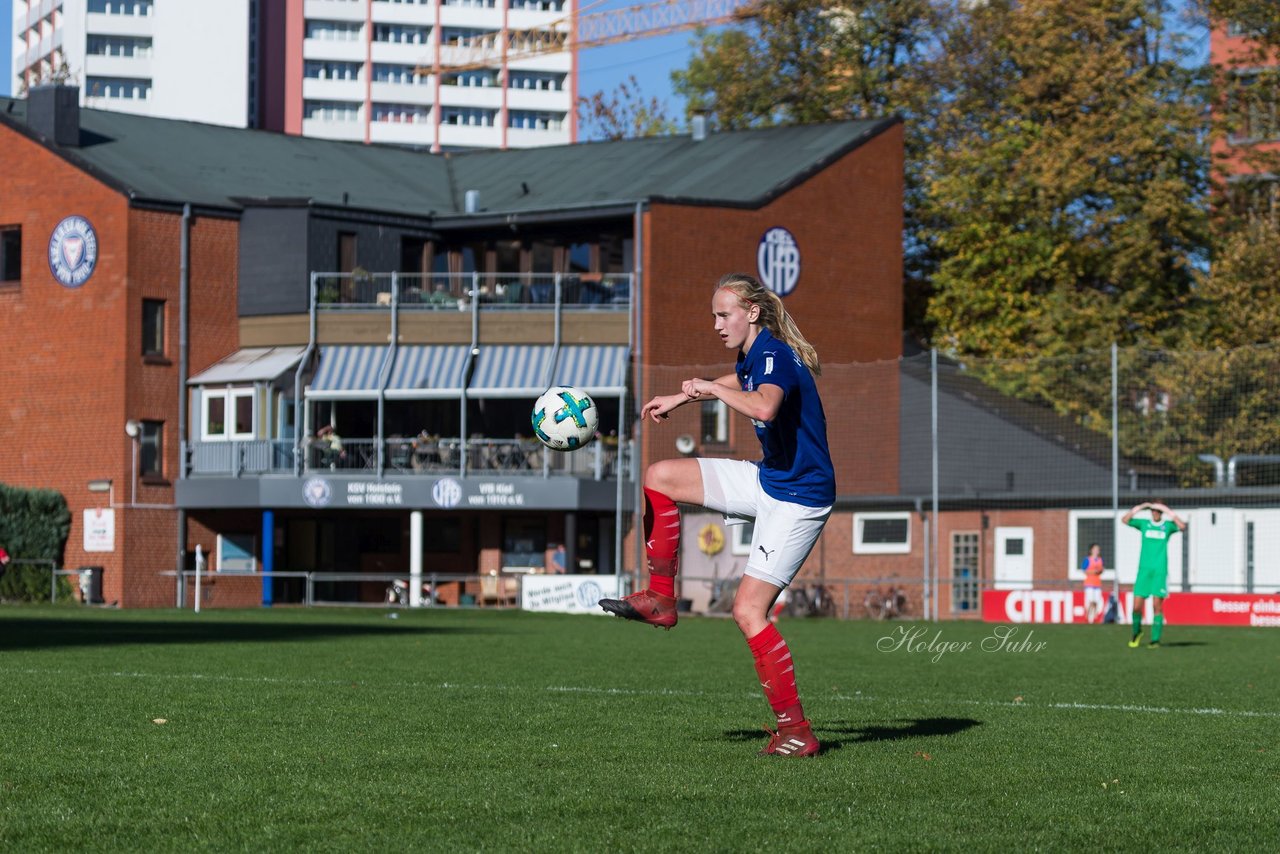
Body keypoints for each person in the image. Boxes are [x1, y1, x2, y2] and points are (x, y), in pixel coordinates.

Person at [598, 272, 835, 758]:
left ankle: (796, 731)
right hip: (769, 479)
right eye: (713, 315)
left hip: (800, 498)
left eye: (723, 314)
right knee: (660, 474)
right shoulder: (756, 354)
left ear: (751, 312)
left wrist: (707, 388)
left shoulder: (774, 355)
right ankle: (661, 600)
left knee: (749, 611)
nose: (716, 324)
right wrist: (686, 396)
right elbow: (742, 379)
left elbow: (765, 407)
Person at [1120, 500, 1187, 648]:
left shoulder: (1167, 527)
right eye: (1153, 510)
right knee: (1137, 606)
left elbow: (1182, 526)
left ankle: (1155, 639)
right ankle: (1136, 632)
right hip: (1144, 571)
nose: (1155, 513)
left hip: (1159, 572)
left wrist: (1168, 511)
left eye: (1158, 511)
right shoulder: (1144, 524)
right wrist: (1140, 507)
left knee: (1157, 605)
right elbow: (1124, 520)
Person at [1080, 543, 1105, 624]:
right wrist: (1092, 571)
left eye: (1098, 549)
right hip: (1089, 583)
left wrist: (1100, 571)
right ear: (1091, 550)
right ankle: (1088, 617)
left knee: (1096, 601)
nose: (1097, 551)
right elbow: (1084, 570)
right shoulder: (1088, 559)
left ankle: (1094, 617)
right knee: (1091, 601)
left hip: (1097, 583)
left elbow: (1101, 569)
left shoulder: (1100, 560)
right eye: (1095, 549)